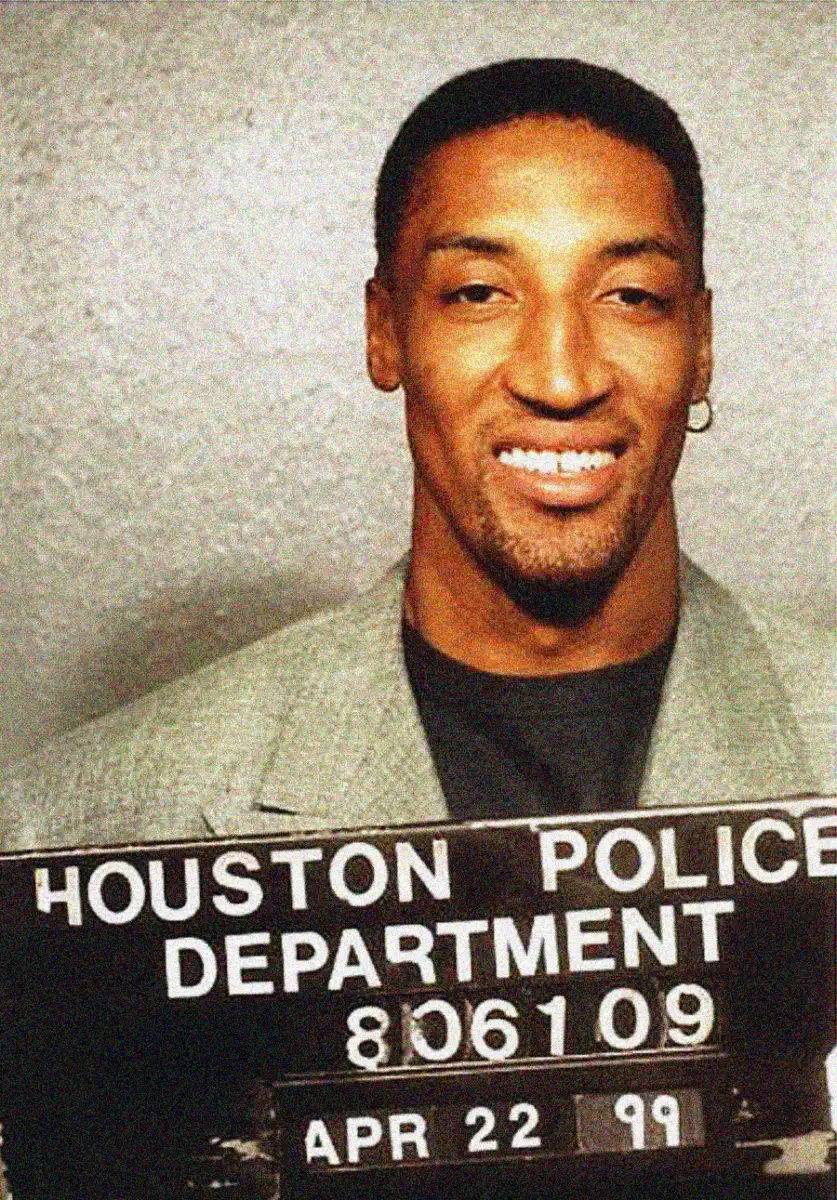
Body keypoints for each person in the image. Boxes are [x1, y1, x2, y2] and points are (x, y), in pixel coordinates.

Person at [1, 58, 832, 850]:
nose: (560, 375)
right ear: (385, 332)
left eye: (630, 296)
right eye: (478, 293)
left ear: (700, 345)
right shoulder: (85, 823)